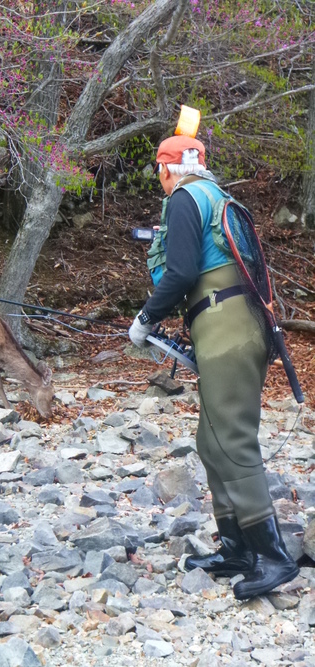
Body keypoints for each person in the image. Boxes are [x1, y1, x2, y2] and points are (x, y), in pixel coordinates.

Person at [128, 134, 299, 600]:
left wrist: (145, 319)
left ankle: (274, 558)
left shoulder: (184, 199)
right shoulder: (216, 196)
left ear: (166, 169)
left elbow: (181, 272)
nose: (161, 180)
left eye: (159, 172)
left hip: (227, 331)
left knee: (233, 441)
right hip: (230, 327)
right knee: (211, 440)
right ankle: (236, 549)